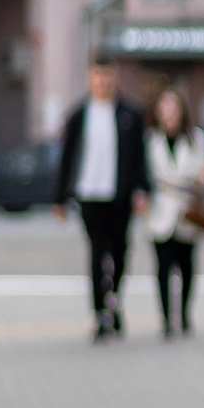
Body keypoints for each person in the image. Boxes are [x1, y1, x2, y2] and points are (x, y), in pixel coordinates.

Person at [53, 61, 149, 341]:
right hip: (88, 194)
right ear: (89, 77)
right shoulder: (79, 115)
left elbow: (138, 157)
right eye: (97, 75)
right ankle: (99, 312)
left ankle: (114, 300)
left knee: (120, 253)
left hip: (119, 195)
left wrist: (142, 189)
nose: (102, 81)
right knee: (96, 253)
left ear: (114, 77)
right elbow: (67, 158)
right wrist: (59, 198)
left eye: (107, 75)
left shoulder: (129, 114)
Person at [143, 88, 204, 337]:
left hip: (187, 206)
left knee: (186, 266)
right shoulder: (150, 139)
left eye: (174, 108)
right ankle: (165, 319)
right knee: (163, 267)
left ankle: (184, 313)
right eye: (165, 108)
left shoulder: (197, 138)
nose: (169, 114)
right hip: (161, 208)